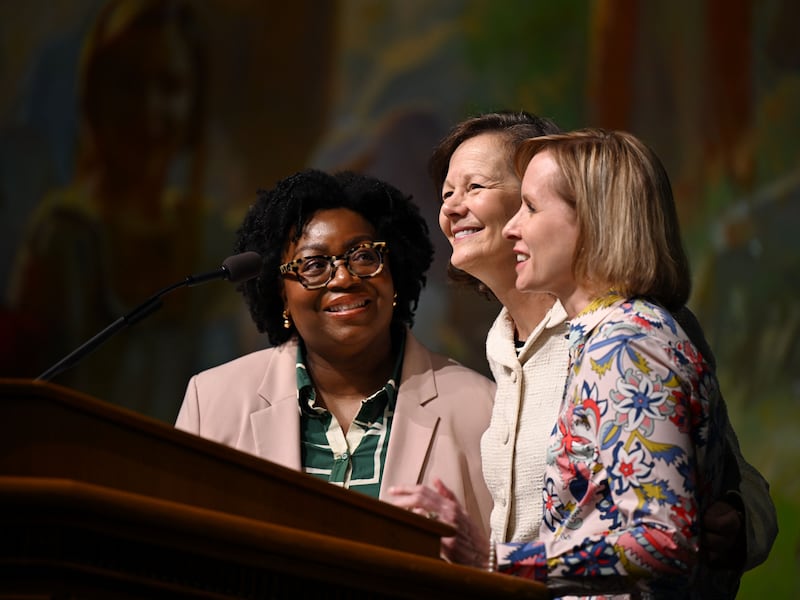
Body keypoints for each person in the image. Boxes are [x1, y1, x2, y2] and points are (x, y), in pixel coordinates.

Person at [389, 112, 777, 593]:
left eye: (476, 187)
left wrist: (492, 559)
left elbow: (678, 519)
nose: (451, 208)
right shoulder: (507, 343)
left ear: (587, 211)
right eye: (446, 192)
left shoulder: (632, 338)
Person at [174, 168, 495, 549]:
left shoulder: (482, 408)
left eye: (363, 256)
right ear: (281, 295)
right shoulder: (211, 401)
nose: (343, 278)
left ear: (394, 275)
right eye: (313, 265)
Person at [491, 128, 730, 595]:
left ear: (595, 221)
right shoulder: (614, 336)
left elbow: (663, 539)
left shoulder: (626, 346)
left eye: (531, 208)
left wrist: (498, 561)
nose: (510, 227)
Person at [6, 0, 236, 421]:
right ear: (96, 95)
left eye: (169, 87)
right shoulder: (65, 235)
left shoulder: (211, 243)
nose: (149, 110)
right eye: (129, 85)